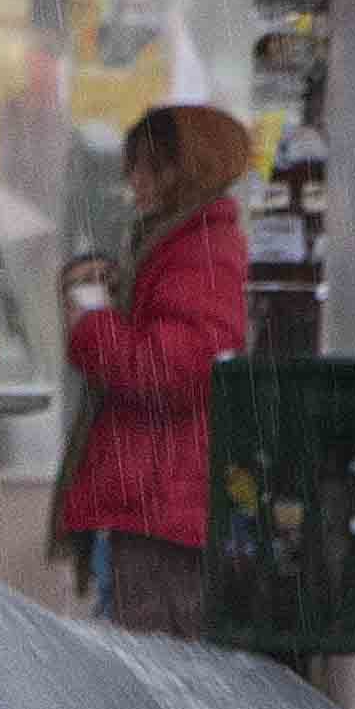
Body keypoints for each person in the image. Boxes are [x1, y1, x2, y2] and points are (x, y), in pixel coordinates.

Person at [54, 98, 257, 640]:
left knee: (145, 680)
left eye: (148, 167)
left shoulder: (198, 250)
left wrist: (92, 326)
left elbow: (176, 370)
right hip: (152, 506)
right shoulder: (179, 245)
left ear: (183, 171)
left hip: (159, 511)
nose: (135, 182)